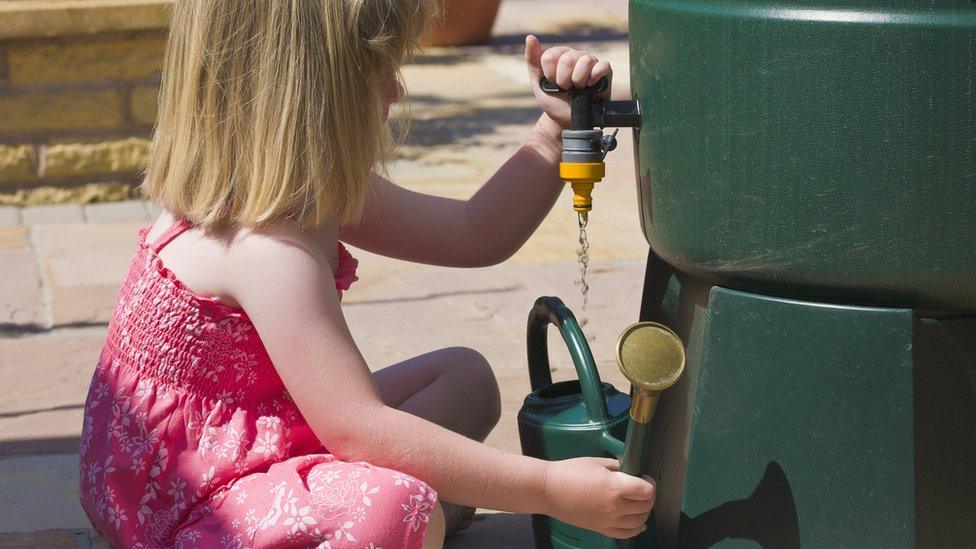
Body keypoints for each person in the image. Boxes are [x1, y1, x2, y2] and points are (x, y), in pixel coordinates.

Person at [78, 1, 656, 547]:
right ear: (310, 96)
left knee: (466, 379)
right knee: (397, 510)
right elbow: (357, 428)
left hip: (256, 429)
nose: (394, 90)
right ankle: (421, 518)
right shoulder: (266, 248)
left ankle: (420, 508)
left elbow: (476, 231)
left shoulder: (292, 183)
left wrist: (553, 132)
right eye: (378, 72)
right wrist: (551, 490)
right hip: (188, 499)